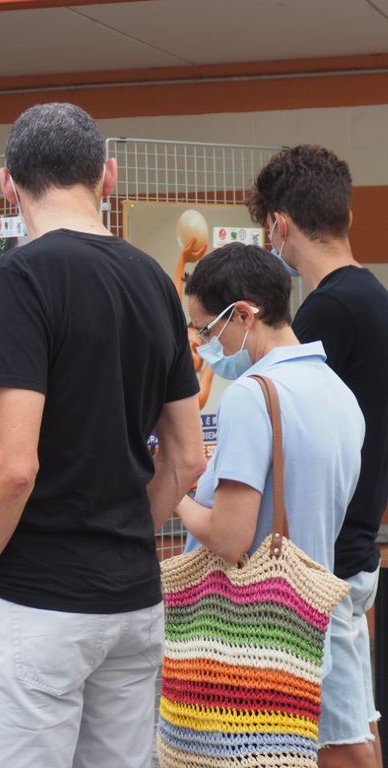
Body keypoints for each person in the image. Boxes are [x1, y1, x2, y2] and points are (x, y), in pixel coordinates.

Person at [0, 103, 207, 768]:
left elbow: (13, 465)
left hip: (32, 598)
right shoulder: (154, 280)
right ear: (108, 176)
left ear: (9, 185)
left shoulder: (21, 275)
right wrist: (122, 535)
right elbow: (187, 457)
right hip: (131, 596)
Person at [173, 241, 365, 760]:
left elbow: (230, 537)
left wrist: (178, 497)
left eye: (206, 330)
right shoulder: (339, 393)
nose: (203, 345)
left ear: (243, 314)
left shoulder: (252, 395)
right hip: (303, 638)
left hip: (238, 651)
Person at [249, 145, 388, 768]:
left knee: (340, 744)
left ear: (279, 224)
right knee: (354, 727)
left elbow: (297, 426)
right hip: (354, 543)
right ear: (346, 215)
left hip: (324, 557)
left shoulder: (327, 310)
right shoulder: (373, 295)